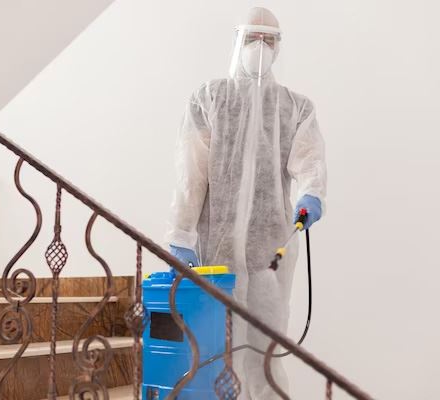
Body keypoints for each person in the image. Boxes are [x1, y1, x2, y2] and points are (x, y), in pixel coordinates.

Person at [165, 7, 327, 399]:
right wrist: (182, 235)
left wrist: (311, 193)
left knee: (265, 353)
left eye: (268, 40)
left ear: (278, 47)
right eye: (253, 37)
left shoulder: (295, 108)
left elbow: (309, 160)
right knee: (214, 351)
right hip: (215, 252)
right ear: (238, 41)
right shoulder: (210, 98)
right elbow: (191, 172)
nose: (260, 46)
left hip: (269, 254)